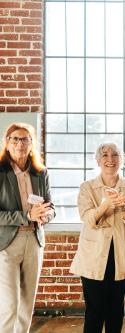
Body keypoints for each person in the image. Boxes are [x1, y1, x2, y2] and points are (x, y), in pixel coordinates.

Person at [70, 142, 125, 333]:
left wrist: (123, 207)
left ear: (122, 159)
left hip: (122, 256)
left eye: (115, 155)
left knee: (116, 309)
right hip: (93, 256)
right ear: (97, 160)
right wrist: (105, 205)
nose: (110, 159)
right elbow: (87, 219)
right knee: (94, 310)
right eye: (104, 155)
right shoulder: (87, 187)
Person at [0, 122, 55, 333]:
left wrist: (47, 214)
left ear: (32, 144)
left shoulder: (40, 173)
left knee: (26, 305)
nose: (19, 143)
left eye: (25, 139)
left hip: (34, 241)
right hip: (6, 243)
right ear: (7, 143)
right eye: (15, 139)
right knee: (10, 306)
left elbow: (50, 205)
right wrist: (26, 215)